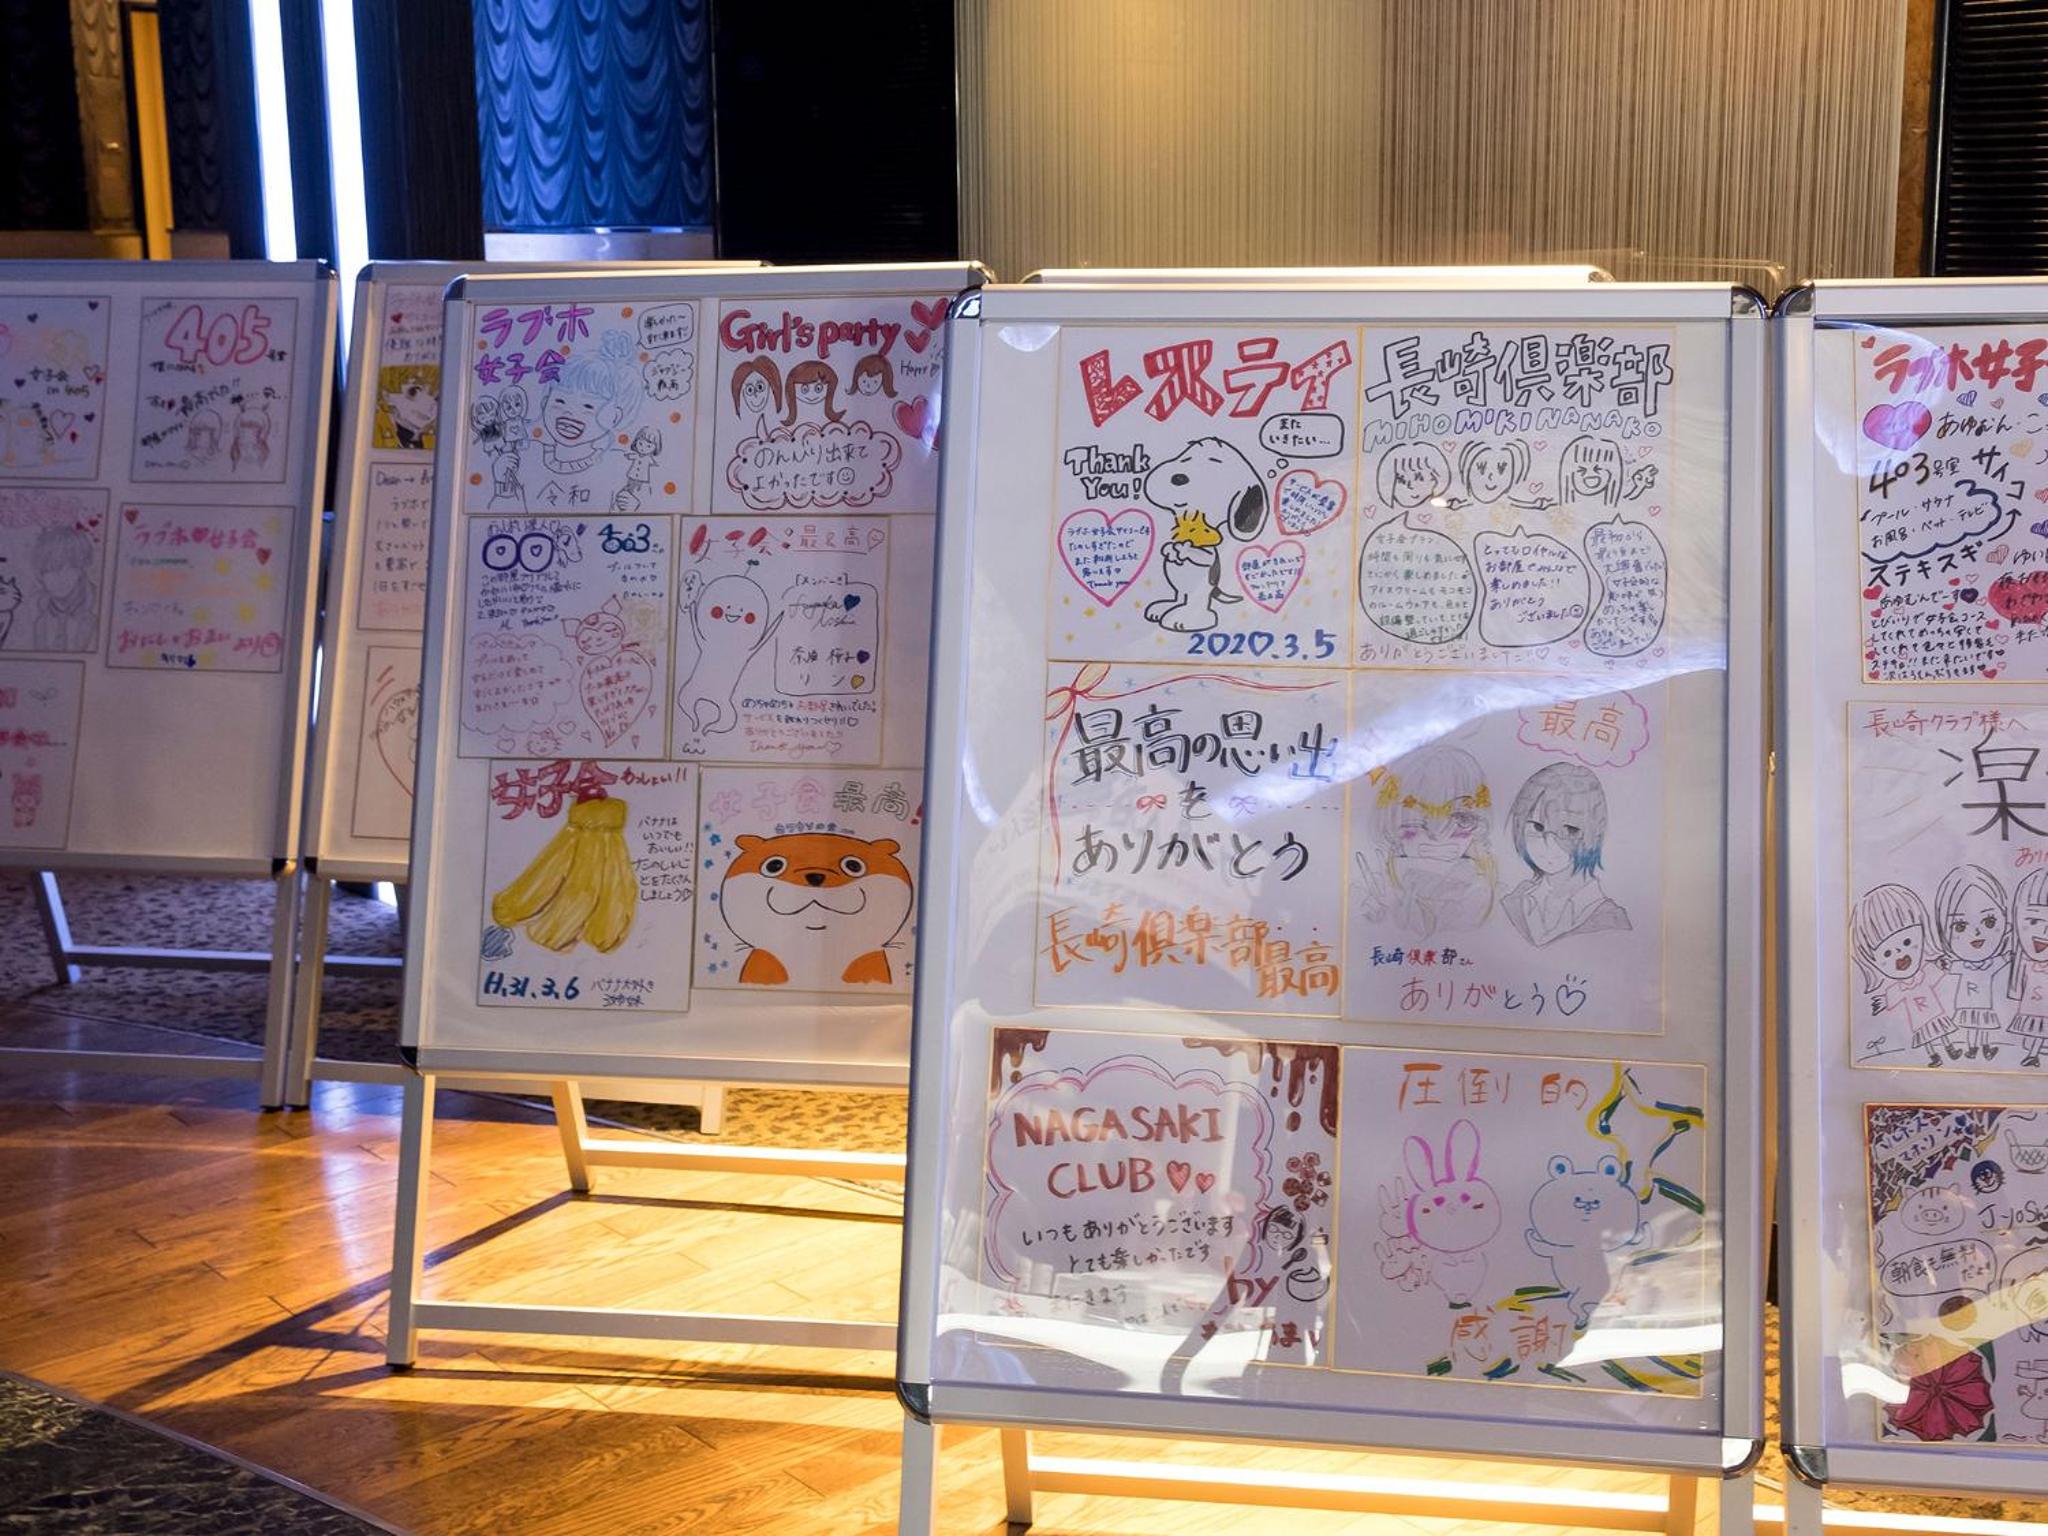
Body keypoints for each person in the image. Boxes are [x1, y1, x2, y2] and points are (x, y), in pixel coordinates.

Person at [1354, 745, 1496, 938]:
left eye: (1461, 819)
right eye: (1415, 822)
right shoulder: (1373, 888)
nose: (1438, 835)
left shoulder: (1483, 890)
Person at [1500, 761, 1630, 947]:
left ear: (1595, 831)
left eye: (1570, 830)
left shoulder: (1611, 920)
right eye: (1537, 827)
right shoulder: (1514, 901)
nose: (1549, 844)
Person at [1853, 882, 1957, 1067]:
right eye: (1887, 953)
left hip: (1934, 1011)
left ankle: (1950, 1048)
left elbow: (1937, 972)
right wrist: (1883, 1002)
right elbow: (1890, 998)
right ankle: (1934, 1056)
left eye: (1907, 941)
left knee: (1941, 1029)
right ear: (1872, 961)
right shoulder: (1899, 988)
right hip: (1918, 1019)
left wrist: (1943, 965)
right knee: (1927, 1036)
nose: (1900, 954)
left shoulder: (1924, 974)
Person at [1934, 864, 2011, 1061]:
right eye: (1960, 926)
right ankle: (1972, 1048)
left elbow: (2004, 959)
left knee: (1983, 1027)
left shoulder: (1991, 963)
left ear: (2006, 922)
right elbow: (1947, 966)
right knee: (1972, 1027)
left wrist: (2012, 953)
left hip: (1985, 1003)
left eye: (1989, 922)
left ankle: (1985, 1047)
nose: (1976, 933)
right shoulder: (1961, 965)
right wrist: (1938, 963)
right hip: (1968, 1003)